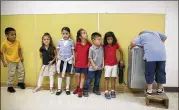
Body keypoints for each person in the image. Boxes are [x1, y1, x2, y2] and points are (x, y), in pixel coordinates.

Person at [131, 30, 167, 95]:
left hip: (150, 56)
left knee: (150, 72)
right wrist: (160, 44)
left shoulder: (141, 36)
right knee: (160, 71)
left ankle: (149, 90)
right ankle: (160, 89)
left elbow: (133, 43)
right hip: (162, 55)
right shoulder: (155, 32)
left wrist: (131, 47)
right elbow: (165, 37)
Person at [1, 27, 25, 93]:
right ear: (6, 35)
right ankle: (10, 86)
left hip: (18, 59)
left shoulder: (17, 42)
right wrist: (3, 62)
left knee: (21, 71)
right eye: (12, 35)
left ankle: (20, 83)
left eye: (15, 34)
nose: (14, 36)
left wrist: (21, 56)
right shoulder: (4, 44)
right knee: (11, 74)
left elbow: (19, 49)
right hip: (10, 61)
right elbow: (1, 53)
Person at [103, 31, 124, 99]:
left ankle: (112, 91)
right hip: (107, 65)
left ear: (113, 38)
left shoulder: (116, 44)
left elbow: (121, 51)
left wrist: (121, 60)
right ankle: (106, 92)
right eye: (108, 39)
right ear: (106, 39)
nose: (110, 41)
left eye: (111, 39)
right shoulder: (104, 46)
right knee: (106, 78)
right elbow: (101, 55)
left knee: (113, 78)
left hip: (114, 64)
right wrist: (103, 64)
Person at [83, 32, 104, 97]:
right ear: (93, 40)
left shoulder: (102, 48)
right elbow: (90, 58)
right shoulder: (91, 48)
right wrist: (94, 66)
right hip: (92, 67)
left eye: (100, 39)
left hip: (99, 67)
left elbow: (103, 56)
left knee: (98, 79)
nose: (100, 41)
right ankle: (85, 90)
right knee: (89, 79)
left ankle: (96, 89)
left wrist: (103, 64)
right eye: (98, 39)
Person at [56, 27, 75, 95]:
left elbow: (73, 51)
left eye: (66, 33)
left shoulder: (71, 41)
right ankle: (59, 88)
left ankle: (67, 88)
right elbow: (57, 51)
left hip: (69, 60)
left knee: (68, 74)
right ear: (61, 34)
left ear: (69, 34)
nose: (65, 35)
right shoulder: (59, 41)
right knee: (59, 73)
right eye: (63, 33)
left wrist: (74, 60)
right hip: (61, 60)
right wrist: (56, 60)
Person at [73, 29, 91, 97]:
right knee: (77, 75)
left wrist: (89, 63)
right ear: (80, 36)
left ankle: (80, 89)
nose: (86, 34)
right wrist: (74, 60)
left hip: (85, 64)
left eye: (86, 33)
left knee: (83, 76)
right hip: (78, 63)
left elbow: (90, 54)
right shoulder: (77, 43)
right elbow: (75, 52)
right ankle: (77, 87)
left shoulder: (89, 44)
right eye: (83, 33)